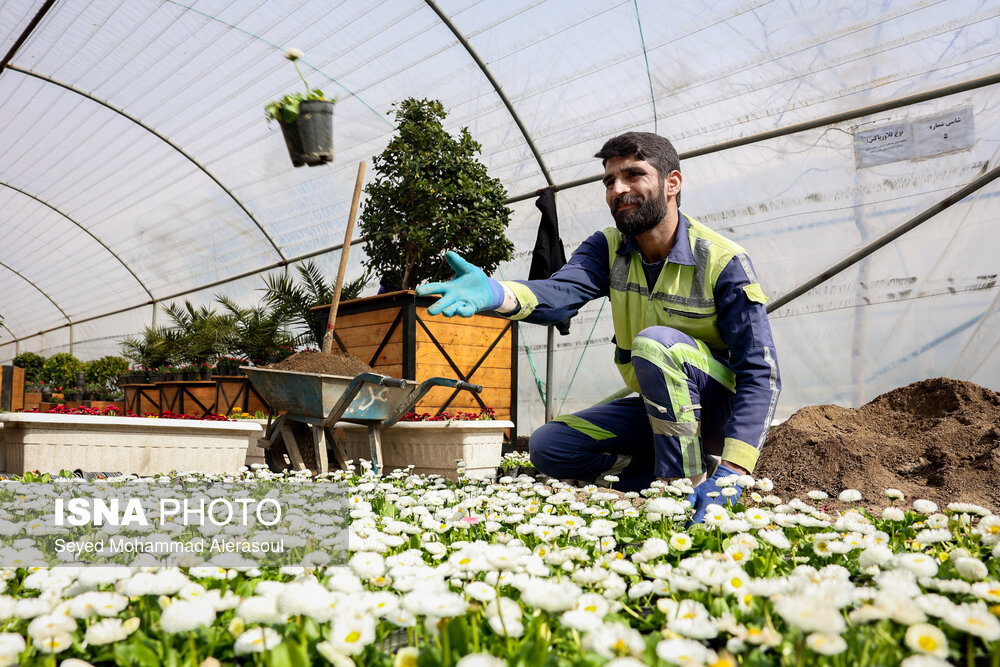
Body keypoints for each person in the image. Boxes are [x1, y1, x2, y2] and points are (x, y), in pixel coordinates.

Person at [416, 132, 780, 522]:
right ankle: (655, 478)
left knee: (656, 345)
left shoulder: (722, 261)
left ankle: (682, 491)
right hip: (660, 407)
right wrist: (496, 292)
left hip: (717, 412)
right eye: (609, 181)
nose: (618, 189)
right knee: (549, 445)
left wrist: (733, 472)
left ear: (672, 183)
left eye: (633, 175)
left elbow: (760, 375)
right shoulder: (608, 247)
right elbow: (560, 293)